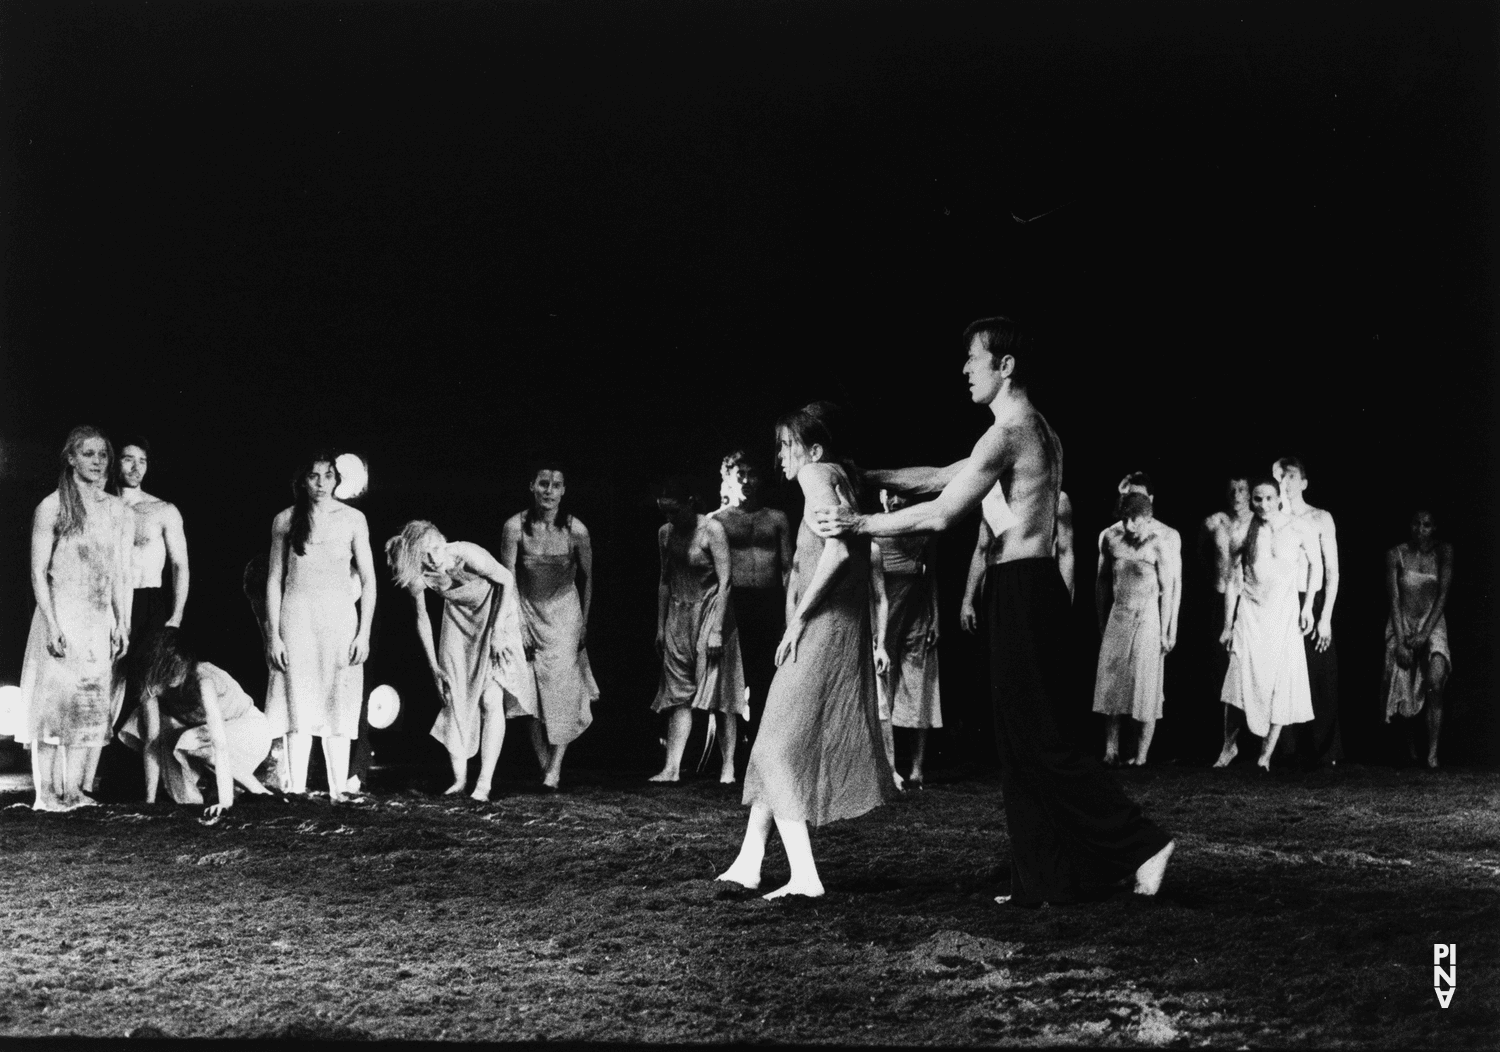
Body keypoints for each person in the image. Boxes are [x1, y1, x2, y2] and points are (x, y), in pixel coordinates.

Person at [811, 317, 1174, 903]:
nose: (964, 370)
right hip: (1022, 588)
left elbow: (942, 515)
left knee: (1040, 741)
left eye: (974, 359)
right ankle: (1041, 879)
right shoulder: (1022, 431)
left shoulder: (1014, 431)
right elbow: (940, 478)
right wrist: (864, 474)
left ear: (1006, 367)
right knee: (1017, 742)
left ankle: (1143, 844)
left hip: (1025, 588)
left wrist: (858, 522)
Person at [719, 402, 894, 898]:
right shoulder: (839, 475)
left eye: (787, 444)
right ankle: (751, 860)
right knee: (779, 735)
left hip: (824, 626)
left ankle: (805, 876)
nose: (780, 456)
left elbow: (838, 549)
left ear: (813, 449)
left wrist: (796, 621)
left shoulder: (817, 472)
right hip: (834, 623)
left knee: (774, 745)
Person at [18, 426, 133, 811]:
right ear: (71, 458)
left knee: (88, 702)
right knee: (53, 704)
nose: (98, 462)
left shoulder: (116, 508)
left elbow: (118, 572)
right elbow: (38, 572)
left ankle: (72, 791)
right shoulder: (52, 506)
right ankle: (46, 794)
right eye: (88, 454)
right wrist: (52, 622)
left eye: (102, 455)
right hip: (62, 613)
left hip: (97, 617)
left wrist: (121, 621)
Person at [387, 521, 535, 800]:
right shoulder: (419, 574)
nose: (433, 557)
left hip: (495, 614)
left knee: (491, 697)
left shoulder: (465, 553)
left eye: (436, 548)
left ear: (444, 540)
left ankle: (484, 784)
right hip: (459, 621)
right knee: (454, 695)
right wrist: (434, 668)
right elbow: (422, 619)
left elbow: (506, 579)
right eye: (424, 554)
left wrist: (500, 631)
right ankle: (459, 780)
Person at [264, 451, 377, 802]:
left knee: (338, 698)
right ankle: (296, 789)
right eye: (314, 476)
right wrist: (274, 635)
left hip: (340, 619)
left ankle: (338, 788)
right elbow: (273, 580)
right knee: (298, 698)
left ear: (336, 479)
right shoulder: (285, 520)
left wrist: (364, 633)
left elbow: (370, 581)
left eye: (328, 475)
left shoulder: (354, 519)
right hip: (297, 617)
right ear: (303, 481)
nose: (321, 482)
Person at [500, 465, 599, 790]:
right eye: (543, 483)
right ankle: (544, 763)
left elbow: (587, 578)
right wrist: (517, 622)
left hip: (564, 613)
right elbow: (507, 579)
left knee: (563, 690)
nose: (549, 490)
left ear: (564, 491)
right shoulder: (514, 527)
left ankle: (555, 768)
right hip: (527, 609)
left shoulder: (577, 531)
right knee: (530, 689)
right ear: (532, 486)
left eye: (556, 485)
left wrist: (583, 620)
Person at [117, 627, 274, 819]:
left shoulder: (203, 680)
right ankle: (192, 800)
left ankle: (262, 793)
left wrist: (224, 802)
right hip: (205, 736)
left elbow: (219, 742)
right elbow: (152, 740)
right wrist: (149, 801)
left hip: (247, 731)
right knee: (146, 721)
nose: (172, 676)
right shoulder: (153, 681)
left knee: (190, 741)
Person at [1214, 477, 1316, 770]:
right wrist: (1227, 624)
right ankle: (1228, 748)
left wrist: (1308, 606)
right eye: (1257, 499)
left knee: (1280, 683)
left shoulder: (1297, 527)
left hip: (1284, 614)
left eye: (1269, 498)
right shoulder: (1243, 530)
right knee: (1237, 681)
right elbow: (1233, 580)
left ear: (1278, 498)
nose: (1263, 505)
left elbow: (1314, 565)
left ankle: (1265, 756)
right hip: (1251, 613)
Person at [650, 477, 747, 783]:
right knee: (677, 692)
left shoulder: (712, 530)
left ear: (690, 503)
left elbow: (726, 580)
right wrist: (661, 627)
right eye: (665, 512)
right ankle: (672, 767)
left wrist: (717, 629)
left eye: (675, 511)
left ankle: (729, 765)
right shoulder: (666, 533)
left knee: (718, 692)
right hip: (679, 614)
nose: (671, 518)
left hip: (711, 612)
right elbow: (664, 580)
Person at [708, 452, 793, 749]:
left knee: (765, 678)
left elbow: (787, 570)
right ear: (727, 478)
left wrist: (789, 615)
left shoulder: (776, 518)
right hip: (734, 605)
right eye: (739, 473)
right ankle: (728, 757)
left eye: (751, 474)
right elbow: (712, 578)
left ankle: (762, 747)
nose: (745, 480)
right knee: (729, 682)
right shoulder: (716, 521)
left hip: (769, 603)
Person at [1092, 492, 1179, 766]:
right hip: (1119, 615)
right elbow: (1102, 582)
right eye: (1126, 519)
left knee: (1146, 683)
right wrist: (1101, 620)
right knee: (1112, 682)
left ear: (1148, 519)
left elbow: (1168, 590)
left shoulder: (1159, 543)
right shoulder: (1110, 539)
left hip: (1148, 618)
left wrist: (1166, 629)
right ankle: (1111, 750)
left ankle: (1141, 756)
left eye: (1136, 520)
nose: (1130, 526)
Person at [111, 437, 190, 729]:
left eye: (142, 461)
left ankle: (144, 774)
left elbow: (180, 564)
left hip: (147, 601)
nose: (136, 467)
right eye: (128, 459)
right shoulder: (102, 507)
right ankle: (105, 769)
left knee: (146, 690)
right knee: (106, 684)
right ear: (114, 461)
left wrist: (177, 615)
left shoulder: (162, 509)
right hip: (108, 601)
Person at [1273, 456, 1342, 768]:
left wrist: (1325, 616)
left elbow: (1332, 571)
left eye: (1290, 476)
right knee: (1283, 673)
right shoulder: (1272, 517)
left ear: (1303, 482)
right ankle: (1286, 750)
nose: (1284, 483)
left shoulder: (1320, 518)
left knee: (1320, 672)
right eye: (1279, 477)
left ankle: (1324, 750)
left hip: (1311, 600)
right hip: (1280, 601)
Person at [873, 489, 941, 787]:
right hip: (885, 617)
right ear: (882, 497)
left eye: (902, 496)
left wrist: (936, 616)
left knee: (919, 686)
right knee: (881, 689)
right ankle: (886, 766)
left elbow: (931, 575)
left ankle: (917, 767)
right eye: (891, 495)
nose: (897, 501)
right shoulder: (873, 529)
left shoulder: (922, 528)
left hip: (916, 613)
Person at [1382, 509, 1453, 767]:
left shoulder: (1443, 552)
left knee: (1435, 679)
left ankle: (1432, 752)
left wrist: (1425, 634)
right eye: (1416, 524)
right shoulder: (1395, 554)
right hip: (1402, 620)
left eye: (1426, 525)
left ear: (1434, 528)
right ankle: (1410, 750)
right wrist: (1401, 641)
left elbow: (1443, 595)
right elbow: (1394, 599)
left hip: (1432, 620)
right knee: (1402, 675)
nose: (1420, 529)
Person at [960, 490, 1073, 632]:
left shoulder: (1056, 498)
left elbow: (1065, 552)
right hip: (998, 583)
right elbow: (982, 550)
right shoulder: (993, 499)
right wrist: (967, 600)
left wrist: (1065, 600)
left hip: (1036, 580)